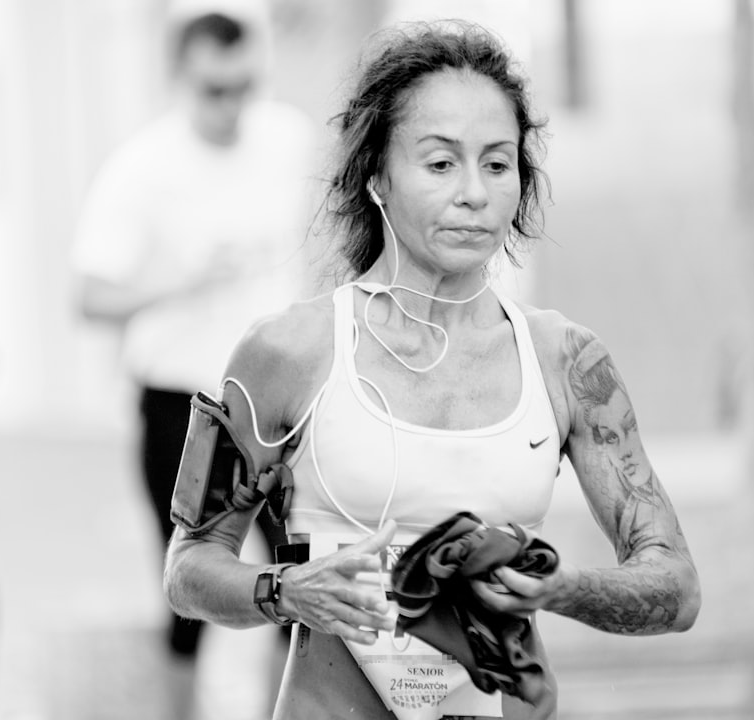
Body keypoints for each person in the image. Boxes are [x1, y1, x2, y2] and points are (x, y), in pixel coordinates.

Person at [163, 20, 700, 720]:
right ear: (377, 175)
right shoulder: (285, 352)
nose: (474, 192)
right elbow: (189, 567)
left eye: (498, 163)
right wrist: (286, 589)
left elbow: (677, 586)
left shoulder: (568, 361)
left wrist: (559, 587)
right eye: (441, 163)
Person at [71, 8, 316, 720]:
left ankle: (294, 707)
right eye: (214, 90)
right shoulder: (143, 168)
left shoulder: (289, 140)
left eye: (245, 86)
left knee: (306, 575)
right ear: (179, 79)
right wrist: (179, 282)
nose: (232, 104)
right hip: (185, 404)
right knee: (187, 588)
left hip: (279, 399)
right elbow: (87, 295)